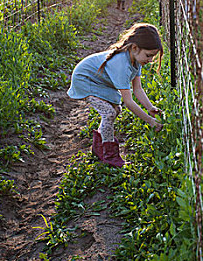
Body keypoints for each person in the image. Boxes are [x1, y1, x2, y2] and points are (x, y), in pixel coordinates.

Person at [67, 23, 164, 167]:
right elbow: (129, 102)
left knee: (116, 110)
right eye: (148, 55)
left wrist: (150, 107)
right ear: (135, 48)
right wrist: (150, 121)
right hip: (85, 80)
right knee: (109, 113)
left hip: (99, 82)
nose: (150, 60)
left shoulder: (136, 60)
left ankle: (99, 147)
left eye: (153, 57)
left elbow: (137, 89)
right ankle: (109, 154)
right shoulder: (121, 65)